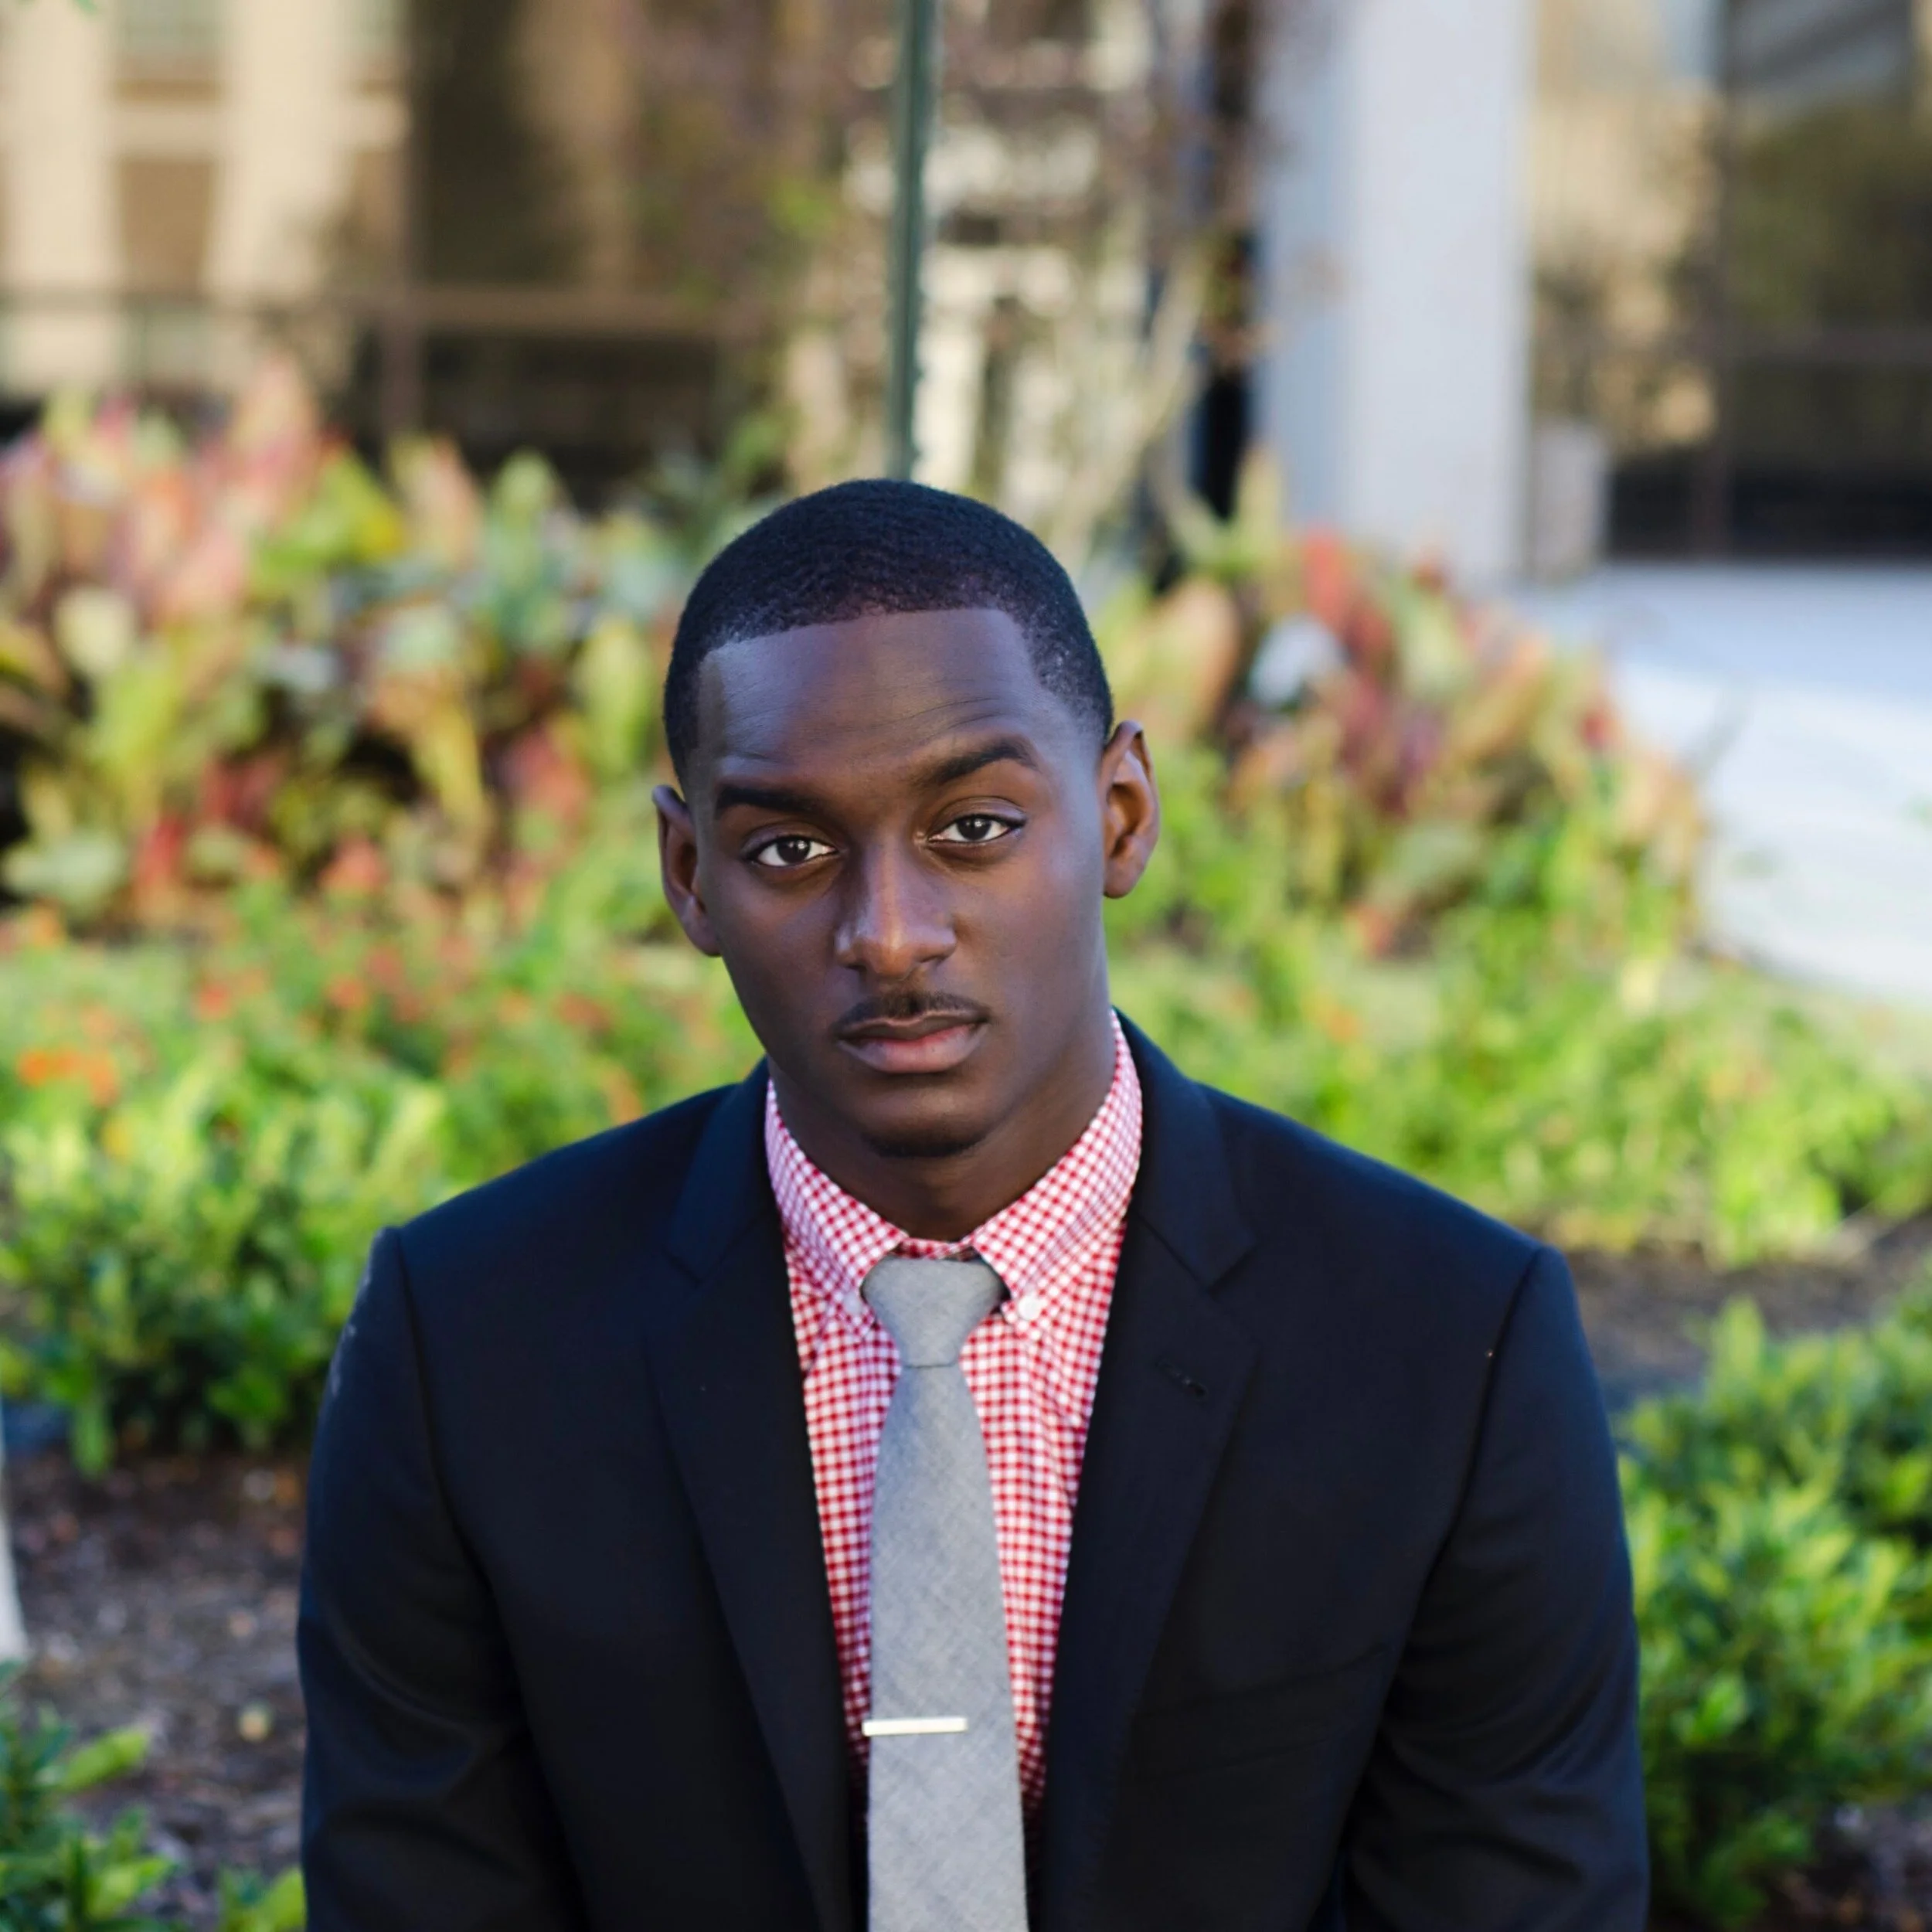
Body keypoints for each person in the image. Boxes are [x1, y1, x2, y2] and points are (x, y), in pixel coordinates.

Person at [299, 480, 1647, 1931]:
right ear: (690, 878)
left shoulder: (1448, 1345)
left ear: (1122, 816)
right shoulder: (470, 1347)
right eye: (790, 851)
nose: (889, 933)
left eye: (975, 826)